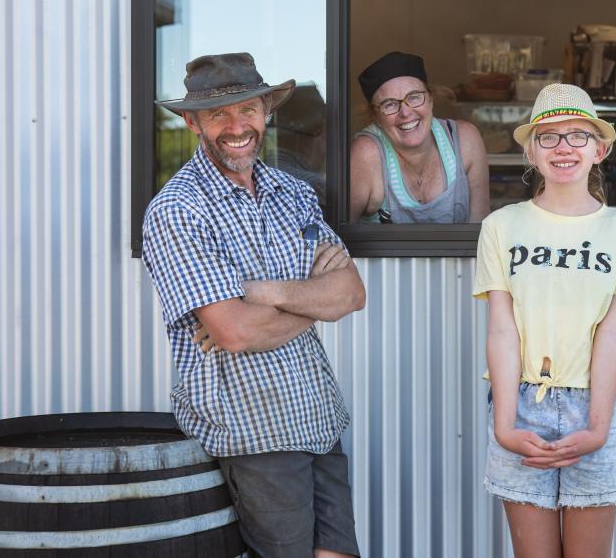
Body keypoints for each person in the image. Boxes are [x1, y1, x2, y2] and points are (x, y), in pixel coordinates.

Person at [142, 52, 365, 558]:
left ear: (267, 110)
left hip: (317, 415)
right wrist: (314, 298)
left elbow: (352, 293)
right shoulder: (177, 210)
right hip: (251, 429)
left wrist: (263, 291)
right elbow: (234, 333)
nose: (236, 126)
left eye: (247, 109)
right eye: (218, 114)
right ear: (192, 122)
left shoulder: (293, 194)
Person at [472, 83, 616, 558]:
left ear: (600, 149)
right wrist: (505, 424)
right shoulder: (502, 227)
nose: (563, 148)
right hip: (522, 403)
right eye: (548, 137)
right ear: (531, 153)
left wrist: (597, 426)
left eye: (577, 135)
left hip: (595, 405)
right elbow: (501, 327)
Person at [349, 51, 489, 223]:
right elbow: (336, 237)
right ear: (376, 116)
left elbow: (481, 231)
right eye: (390, 104)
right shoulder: (367, 152)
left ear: (430, 100)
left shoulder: (464, 140)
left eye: (414, 97)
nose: (405, 113)